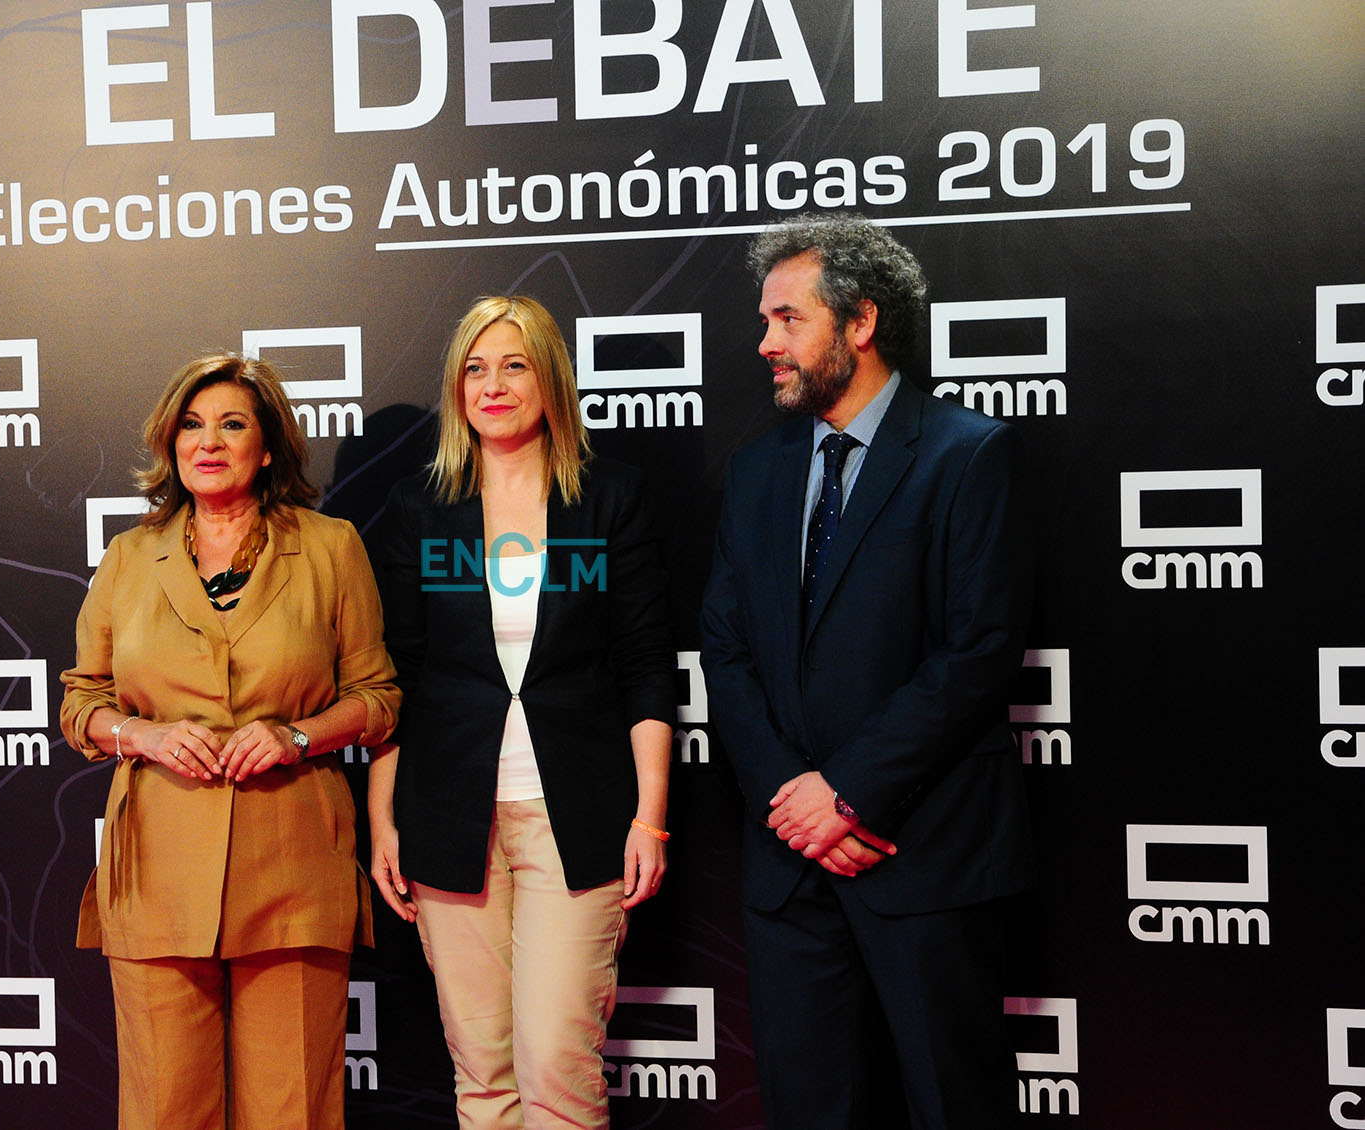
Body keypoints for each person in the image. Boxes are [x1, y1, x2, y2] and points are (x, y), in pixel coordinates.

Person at [699, 214, 1036, 1130]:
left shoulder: (967, 454)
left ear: (859, 323)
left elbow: (976, 652)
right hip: (790, 866)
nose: (764, 343)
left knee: (948, 1104)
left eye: (786, 319)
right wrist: (793, 801)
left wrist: (847, 793)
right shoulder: (756, 469)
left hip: (920, 852)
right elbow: (724, 652)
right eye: (764, 321)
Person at [60, 353, 399, 1130]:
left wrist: (296, 734)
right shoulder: (127, 558)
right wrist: (138, 733)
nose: (207, 441)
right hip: (157, 876)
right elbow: (82, 703)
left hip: (291, 866)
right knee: (164, 1112)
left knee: (295, 1113)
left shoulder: (330, 548)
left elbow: (377, 700)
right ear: (170, 443)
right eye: (190, 424)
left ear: (268, 446)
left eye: (231, 424)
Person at [368, 295, 675, 1129]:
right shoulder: (416, 508)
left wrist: (650, 819)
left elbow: (647, 665)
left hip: (574, 814)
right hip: (445, 814)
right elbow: (395, 676)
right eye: (474, 368)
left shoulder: (609, 499)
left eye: (513, 365)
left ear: (551, 379)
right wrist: (382, 821)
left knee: (556, 1067)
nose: (492, 386)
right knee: (485, 1071)